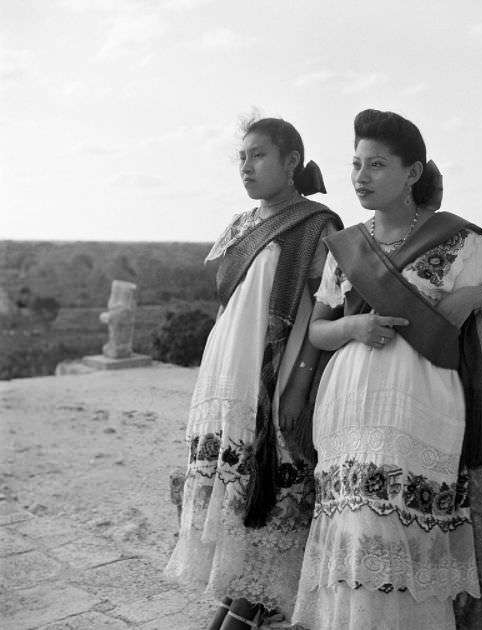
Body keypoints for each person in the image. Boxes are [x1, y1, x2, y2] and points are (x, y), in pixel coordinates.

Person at [291, 109, 482, 630]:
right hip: (349, 406)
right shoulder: (344, 247)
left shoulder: (458, 241)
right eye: (355, 164)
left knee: (400, 532)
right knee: (353, 531)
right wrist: (353, 329)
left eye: (376, 165)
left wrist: (473, 296)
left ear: (413, 173)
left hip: (420, 401)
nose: (360, 177)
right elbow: (317, 331)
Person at [165, 116, 343, 629]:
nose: (246, 166)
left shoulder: (316, 225)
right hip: (227, 373)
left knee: (270, 494)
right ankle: (236, 600)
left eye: (259, 155)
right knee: (235, 496)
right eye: (242, 157)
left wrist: (296, 384)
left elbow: (317, 312)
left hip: (272, 378)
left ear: (291, 162)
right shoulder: (241, 225)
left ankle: (248, 608)